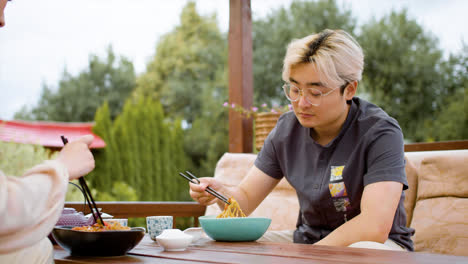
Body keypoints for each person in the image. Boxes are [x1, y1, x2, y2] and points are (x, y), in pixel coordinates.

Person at [189, 29, 415, 251]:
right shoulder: (286, 131)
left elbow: (373, 227)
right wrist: (218, 191)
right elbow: (245, 201)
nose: (301, 103)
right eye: (295, 89)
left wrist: (306, 257)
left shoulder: (380, 132)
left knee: (366, 249)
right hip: (307, 243)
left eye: (315, 93)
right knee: (217, 245)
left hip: (374, 247)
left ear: (349, 89)